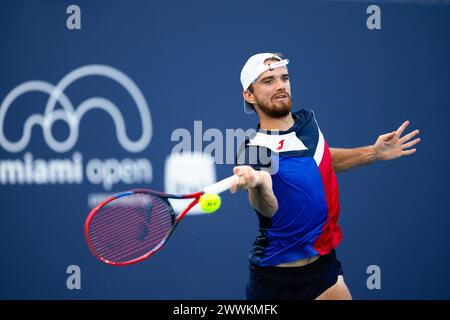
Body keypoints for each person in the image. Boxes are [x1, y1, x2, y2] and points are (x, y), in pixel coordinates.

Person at [230, 52, 421, 300]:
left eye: (284, 78)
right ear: (249, 95)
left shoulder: (307, 123)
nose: (280, 86)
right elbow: (267, 207)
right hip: (275, 279)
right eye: (268, 81)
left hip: (324, 268)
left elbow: (321, 161)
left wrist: (373, 152)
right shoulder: (254, 150)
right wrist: (257, 183)